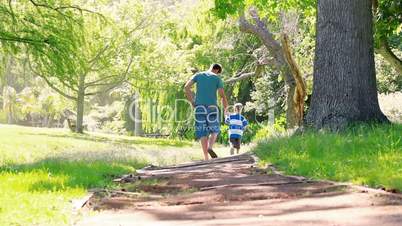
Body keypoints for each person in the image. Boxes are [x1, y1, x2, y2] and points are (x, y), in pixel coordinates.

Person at [184, 63, 228, 160]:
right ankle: (210, 147)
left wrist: (192, 101)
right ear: (217, 70)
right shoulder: (217, 78)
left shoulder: (198, 75)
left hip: (199, 107)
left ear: (210, 67)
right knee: (215, 130)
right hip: (212, 108)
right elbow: (222, 96)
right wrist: (226, 110)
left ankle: (206, 158)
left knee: (202, 132)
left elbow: (186, 87)